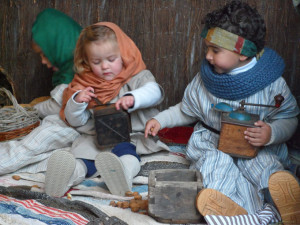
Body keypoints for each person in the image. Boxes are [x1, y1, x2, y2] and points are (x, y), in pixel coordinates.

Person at [145, 1, 300, 224]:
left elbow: (288, 117)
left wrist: (271, 134)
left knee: (266, 166)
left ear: (244, 54)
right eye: (207, 47)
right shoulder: (205, 80)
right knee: (214, 165)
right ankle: (223, 206)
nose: (208, 55)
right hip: (213, 141)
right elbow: (185, 110)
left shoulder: (271, 83)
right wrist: (161, 120)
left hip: (255, 144)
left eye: (215, 50)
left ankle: (278, 204)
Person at [45, 22, 168, 197]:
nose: (105, 66)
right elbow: (75, 121)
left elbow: (155, 92)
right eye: (96, 62)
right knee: (83, 159)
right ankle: (65, 177)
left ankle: (122, 176)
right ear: (86, 61)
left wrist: (134, 98)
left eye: (111, 59)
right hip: (97, 138)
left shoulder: (136, 76)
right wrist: (77, 101)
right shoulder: (84, 84)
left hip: (127, 137)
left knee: (129, 156)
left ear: (124, 54)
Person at [31, 8, 82, 118]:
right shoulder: (68, 65)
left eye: (45, 54)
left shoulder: (80, 67)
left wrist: (29, 110)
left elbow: (56, 107)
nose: (43, 61)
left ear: (60, 46)